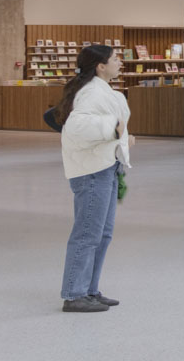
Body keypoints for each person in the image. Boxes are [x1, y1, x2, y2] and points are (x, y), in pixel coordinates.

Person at [56, 43, 131, 313]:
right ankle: (74, 294)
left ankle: (89, 290)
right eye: (115, 59)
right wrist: (113, 129)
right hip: (91, 172)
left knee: (102, 234)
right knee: (88, 234)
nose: (119, 62)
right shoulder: (90, 93)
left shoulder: (101, 90)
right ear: (101, 66)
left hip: (105, 167)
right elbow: (76, 127)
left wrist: (121, 137)